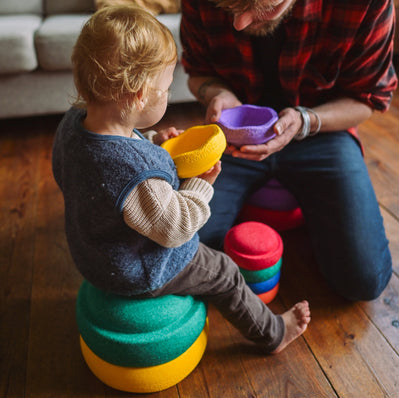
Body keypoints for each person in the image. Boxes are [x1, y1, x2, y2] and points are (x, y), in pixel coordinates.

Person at [52, 5, 310, 354]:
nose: (168, 95)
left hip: (92, 253)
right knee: (223, 272)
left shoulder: (74, 123)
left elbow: (97, 163)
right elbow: (177, 228)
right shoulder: (136, 176)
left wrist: (158, 144)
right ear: (140, 94)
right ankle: (273, 333)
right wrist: (200, 184)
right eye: (166, 88)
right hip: (139, 268)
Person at [180, 0, 397, 301]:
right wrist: (218, 93)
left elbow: (367, 98)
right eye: (231, 8)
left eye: (260, 7)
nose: (239, 24)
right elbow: (196, 73)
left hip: (322, 130)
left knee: (364, 279)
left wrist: (306, 121)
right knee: (176, 253)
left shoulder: (364, 4)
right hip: (232, 138)